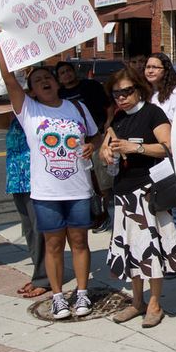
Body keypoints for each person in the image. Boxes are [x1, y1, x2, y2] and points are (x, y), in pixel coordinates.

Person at [0, 26, 101, 320]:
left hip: (78, 190)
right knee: (53, 245)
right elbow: (8, 78)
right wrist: (1, 42)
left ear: (56, 83)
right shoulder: (28, 110)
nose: (44, 81)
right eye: (37, 80)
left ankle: (82, 292)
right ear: (31, 90)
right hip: (46, 193)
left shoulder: (77, 108)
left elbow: (96, 135)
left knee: (79, 242)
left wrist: (92, 146)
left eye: (48, 77)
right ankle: (57, 297)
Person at [101, 66, 176, 327]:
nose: (121, 97)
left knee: (151, 249)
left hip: (148, 192)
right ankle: (137, 301)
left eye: (126, 91)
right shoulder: (118, 117)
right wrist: (106, 151)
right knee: (130, 249)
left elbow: (169, 147)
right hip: (123, 192)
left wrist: (135, 147)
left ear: (139, 89)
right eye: (116, 94)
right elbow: (108, 145)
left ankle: (155, 303)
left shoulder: (152, 112)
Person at [0, 110, 50, 298]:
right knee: (30, 230)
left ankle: (44, 278)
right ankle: (39, 274)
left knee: (39, 230)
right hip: (17, 180)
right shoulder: (13, 116)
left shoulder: (38, 114)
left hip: (36, 180)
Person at [143, 52, 176, 272]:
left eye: (155, 67)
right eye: (148, 67)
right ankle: (161, 254)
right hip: (149, 159)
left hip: (170, 160)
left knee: (175, 212)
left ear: (166, 71)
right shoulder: (145, 94)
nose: (150, 70)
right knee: (156, 211)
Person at [55, 60, 114, 231]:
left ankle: (103, 215)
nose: (66, 74)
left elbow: (109, 106)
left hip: (96, 138)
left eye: (68, 70)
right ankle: (90, 215)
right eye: (62, 73)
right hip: (73, 145)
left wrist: (107, 124)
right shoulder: (59, 94)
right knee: (83, 182)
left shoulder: (90, 86)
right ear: (58, 78)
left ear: (74, 71)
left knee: (101, 182)